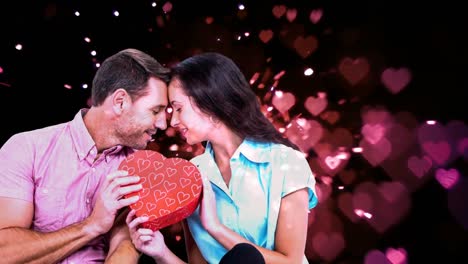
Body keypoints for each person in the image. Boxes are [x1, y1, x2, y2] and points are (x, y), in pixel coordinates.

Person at [127, 52, 318, 263]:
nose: (173, 121)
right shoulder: (190, 176)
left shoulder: (286, 163)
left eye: (179, 109)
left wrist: (215, 228)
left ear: (209, 101)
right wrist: (161, 252)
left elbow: (291, 262)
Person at [0, 48, 170, 263]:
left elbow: (124, 248)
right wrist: (92, 226)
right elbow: (4, 253)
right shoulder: (26, 148)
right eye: (156, 111)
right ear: (120, 102)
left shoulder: (141, 166)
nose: (163, 123)